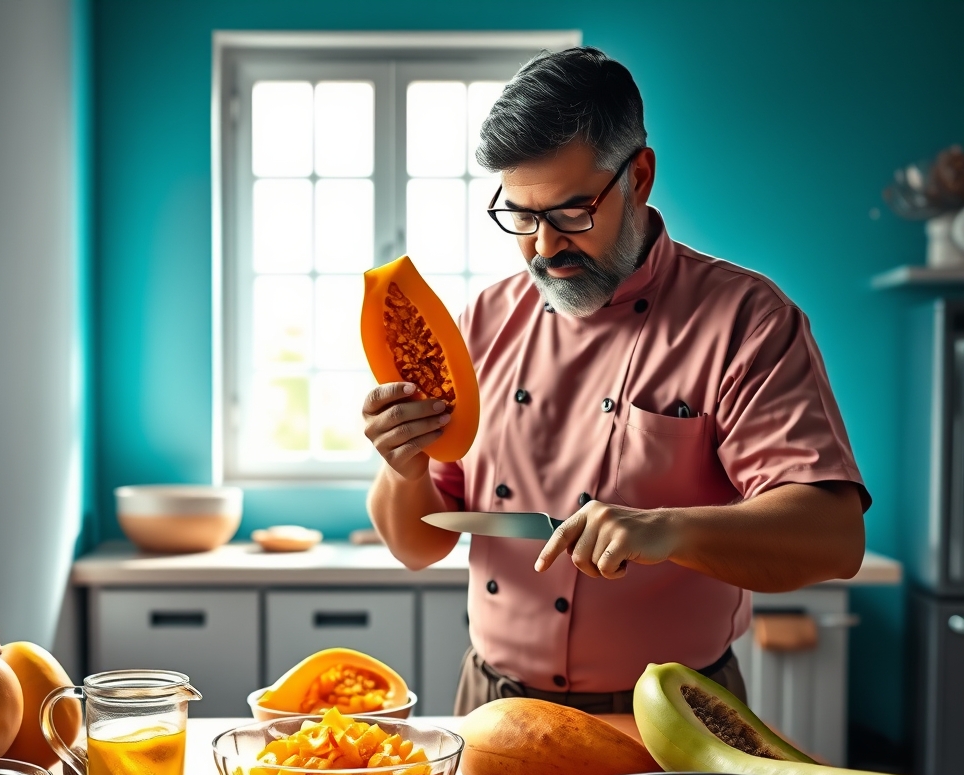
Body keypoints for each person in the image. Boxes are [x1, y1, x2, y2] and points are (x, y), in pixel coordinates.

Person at [363, 47, 867, 715]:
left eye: (572, 213)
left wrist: (669, 531)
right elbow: (417, 544)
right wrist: (403, 468)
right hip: (493, 710)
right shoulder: (482, 320)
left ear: (640, 176)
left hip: (674, 721)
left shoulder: (746, 319)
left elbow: (833, 536)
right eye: (522, 216)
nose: (544, 247)